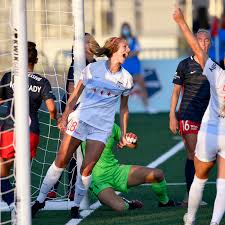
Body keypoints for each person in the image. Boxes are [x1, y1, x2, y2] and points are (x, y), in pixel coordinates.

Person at [32, 36, 134, 219]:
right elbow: (75, 94)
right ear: (113, 49)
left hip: (102, 128)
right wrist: (65, 116)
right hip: (81, 120)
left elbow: (124, 108)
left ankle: (75, 205)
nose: (128, 50)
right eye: (124, 47)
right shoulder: (92, 69)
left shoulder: (127, 79)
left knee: (86, 169)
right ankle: (39, 200)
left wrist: (124, 134)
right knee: (61, 160)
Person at [173, 6, 225, 225]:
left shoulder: (216, 72)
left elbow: (196, 48)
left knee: (200, 178)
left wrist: (181, 21)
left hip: (210, 130)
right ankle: (213, 223)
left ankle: (190, 219)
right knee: (223, 183)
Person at [0, 42, 57, 213]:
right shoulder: (42, 81)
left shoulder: (9, 77)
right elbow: (52, 108)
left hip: (10, 130)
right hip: (32, 132)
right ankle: (23, 207)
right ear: (35, 60)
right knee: (22, 174)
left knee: (2, 173)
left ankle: (13, 205)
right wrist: (55, 118)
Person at [81, 123, 178, 211]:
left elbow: (131, 144)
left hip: (115, 171)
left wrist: (132, 139)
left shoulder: (110, 125)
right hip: (97, 180)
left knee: (157, 174)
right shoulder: (82, 127)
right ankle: (127, 203)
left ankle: (165, 202)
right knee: (121, 207)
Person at [47, 33, 98, 200]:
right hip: (73, 109)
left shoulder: (95, 64)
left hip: (85, 111)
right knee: (68, 151)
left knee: (78, 153)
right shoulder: (77, 64)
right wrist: (70, 114)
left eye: (89, 40)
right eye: (87, 41)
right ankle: (53, 188)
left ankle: (71, 190)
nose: (91, 43)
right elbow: (71, 89)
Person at [169, 29, 211, 205]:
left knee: (206, 157)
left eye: (206, 40)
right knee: (194, 155)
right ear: (193, 42)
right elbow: (176, 92)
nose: (203, 43)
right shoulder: (184, 65)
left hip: (208, 118)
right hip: (187, 114)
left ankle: (191, 197)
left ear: (210, 43)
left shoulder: (213, 66)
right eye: (199, 40)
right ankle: (191, 197)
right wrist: (172, 115)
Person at [120, 22, 149, 111]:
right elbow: (121, 53)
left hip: (135, 66)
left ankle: (147, 107)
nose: (126, 30)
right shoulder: (120, 40)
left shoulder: (134, 39)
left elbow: (137, 50)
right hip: (125, 67)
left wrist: (128, 54)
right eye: (124, 28)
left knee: (142, 86)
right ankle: (123, 108)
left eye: (127, 28)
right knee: (122, 89)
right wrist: (129, 54)